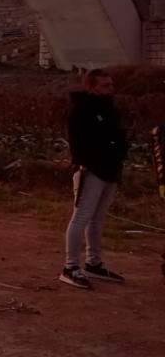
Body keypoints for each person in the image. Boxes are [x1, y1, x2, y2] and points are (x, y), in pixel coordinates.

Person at [62, 69, 130, 289]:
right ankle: (70, 266)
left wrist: (122, 142)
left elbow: (115, 137)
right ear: (91, 87)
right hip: (91, 170)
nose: (111, 88)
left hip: (110, 169)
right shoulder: (80, 110)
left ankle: (94, 263)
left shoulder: (110, 109)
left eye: (111, 84)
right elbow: (81, 143)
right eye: (105, 85)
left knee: (97, 219)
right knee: (81, 217)